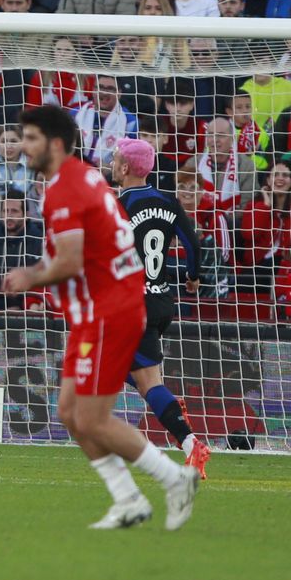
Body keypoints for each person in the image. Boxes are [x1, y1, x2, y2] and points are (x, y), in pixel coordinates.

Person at [2, 105, 199, 530]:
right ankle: (128, 498)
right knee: (70, 412)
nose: (23, 145)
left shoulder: (67, 188)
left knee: (90, 416)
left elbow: (70, 261)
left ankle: (175, 477)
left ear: (54, 144)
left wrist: (28, 277)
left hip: (113, 311)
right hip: (99, 308)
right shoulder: (86, 178)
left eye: (31, 138)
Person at [111, 138, 211, 479]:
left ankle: (189, 440)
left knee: (146, 382)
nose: (111, 164)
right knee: (123, 370)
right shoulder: (168, 201)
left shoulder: (117, 205)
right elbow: (193, 243)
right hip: (161, 300)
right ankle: (166, 403)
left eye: (114, 159)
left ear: (124, 168)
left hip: (130, 304)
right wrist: (193, 277)